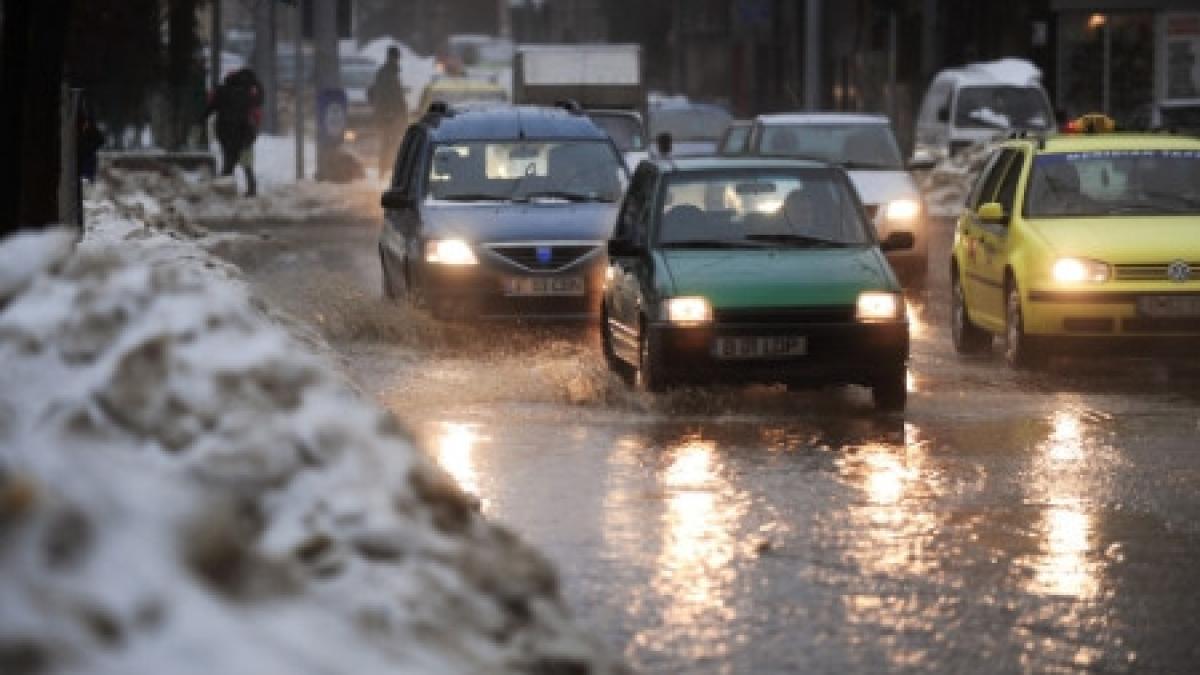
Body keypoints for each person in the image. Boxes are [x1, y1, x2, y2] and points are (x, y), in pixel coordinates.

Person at [205, 67, 263, 197]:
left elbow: (211, 107)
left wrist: (201, 119)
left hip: (226, 131)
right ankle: (251, 188)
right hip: (245, 131)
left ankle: (226, 190)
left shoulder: (222, 90)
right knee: (245, 161)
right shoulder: (249, 91)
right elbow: (257, 105)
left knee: (229, 160)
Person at [369, 46, 409, 179]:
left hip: (392, 116)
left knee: (391, 144)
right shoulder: (386, 74)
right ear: (392, 57)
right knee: (389, 145)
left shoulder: (389, 73)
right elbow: (384, 96)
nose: (397, 60)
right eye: (396, 57)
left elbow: (374, 93)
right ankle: (385, 172)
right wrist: (387, 113)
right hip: (389, 117)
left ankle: (388, 172)